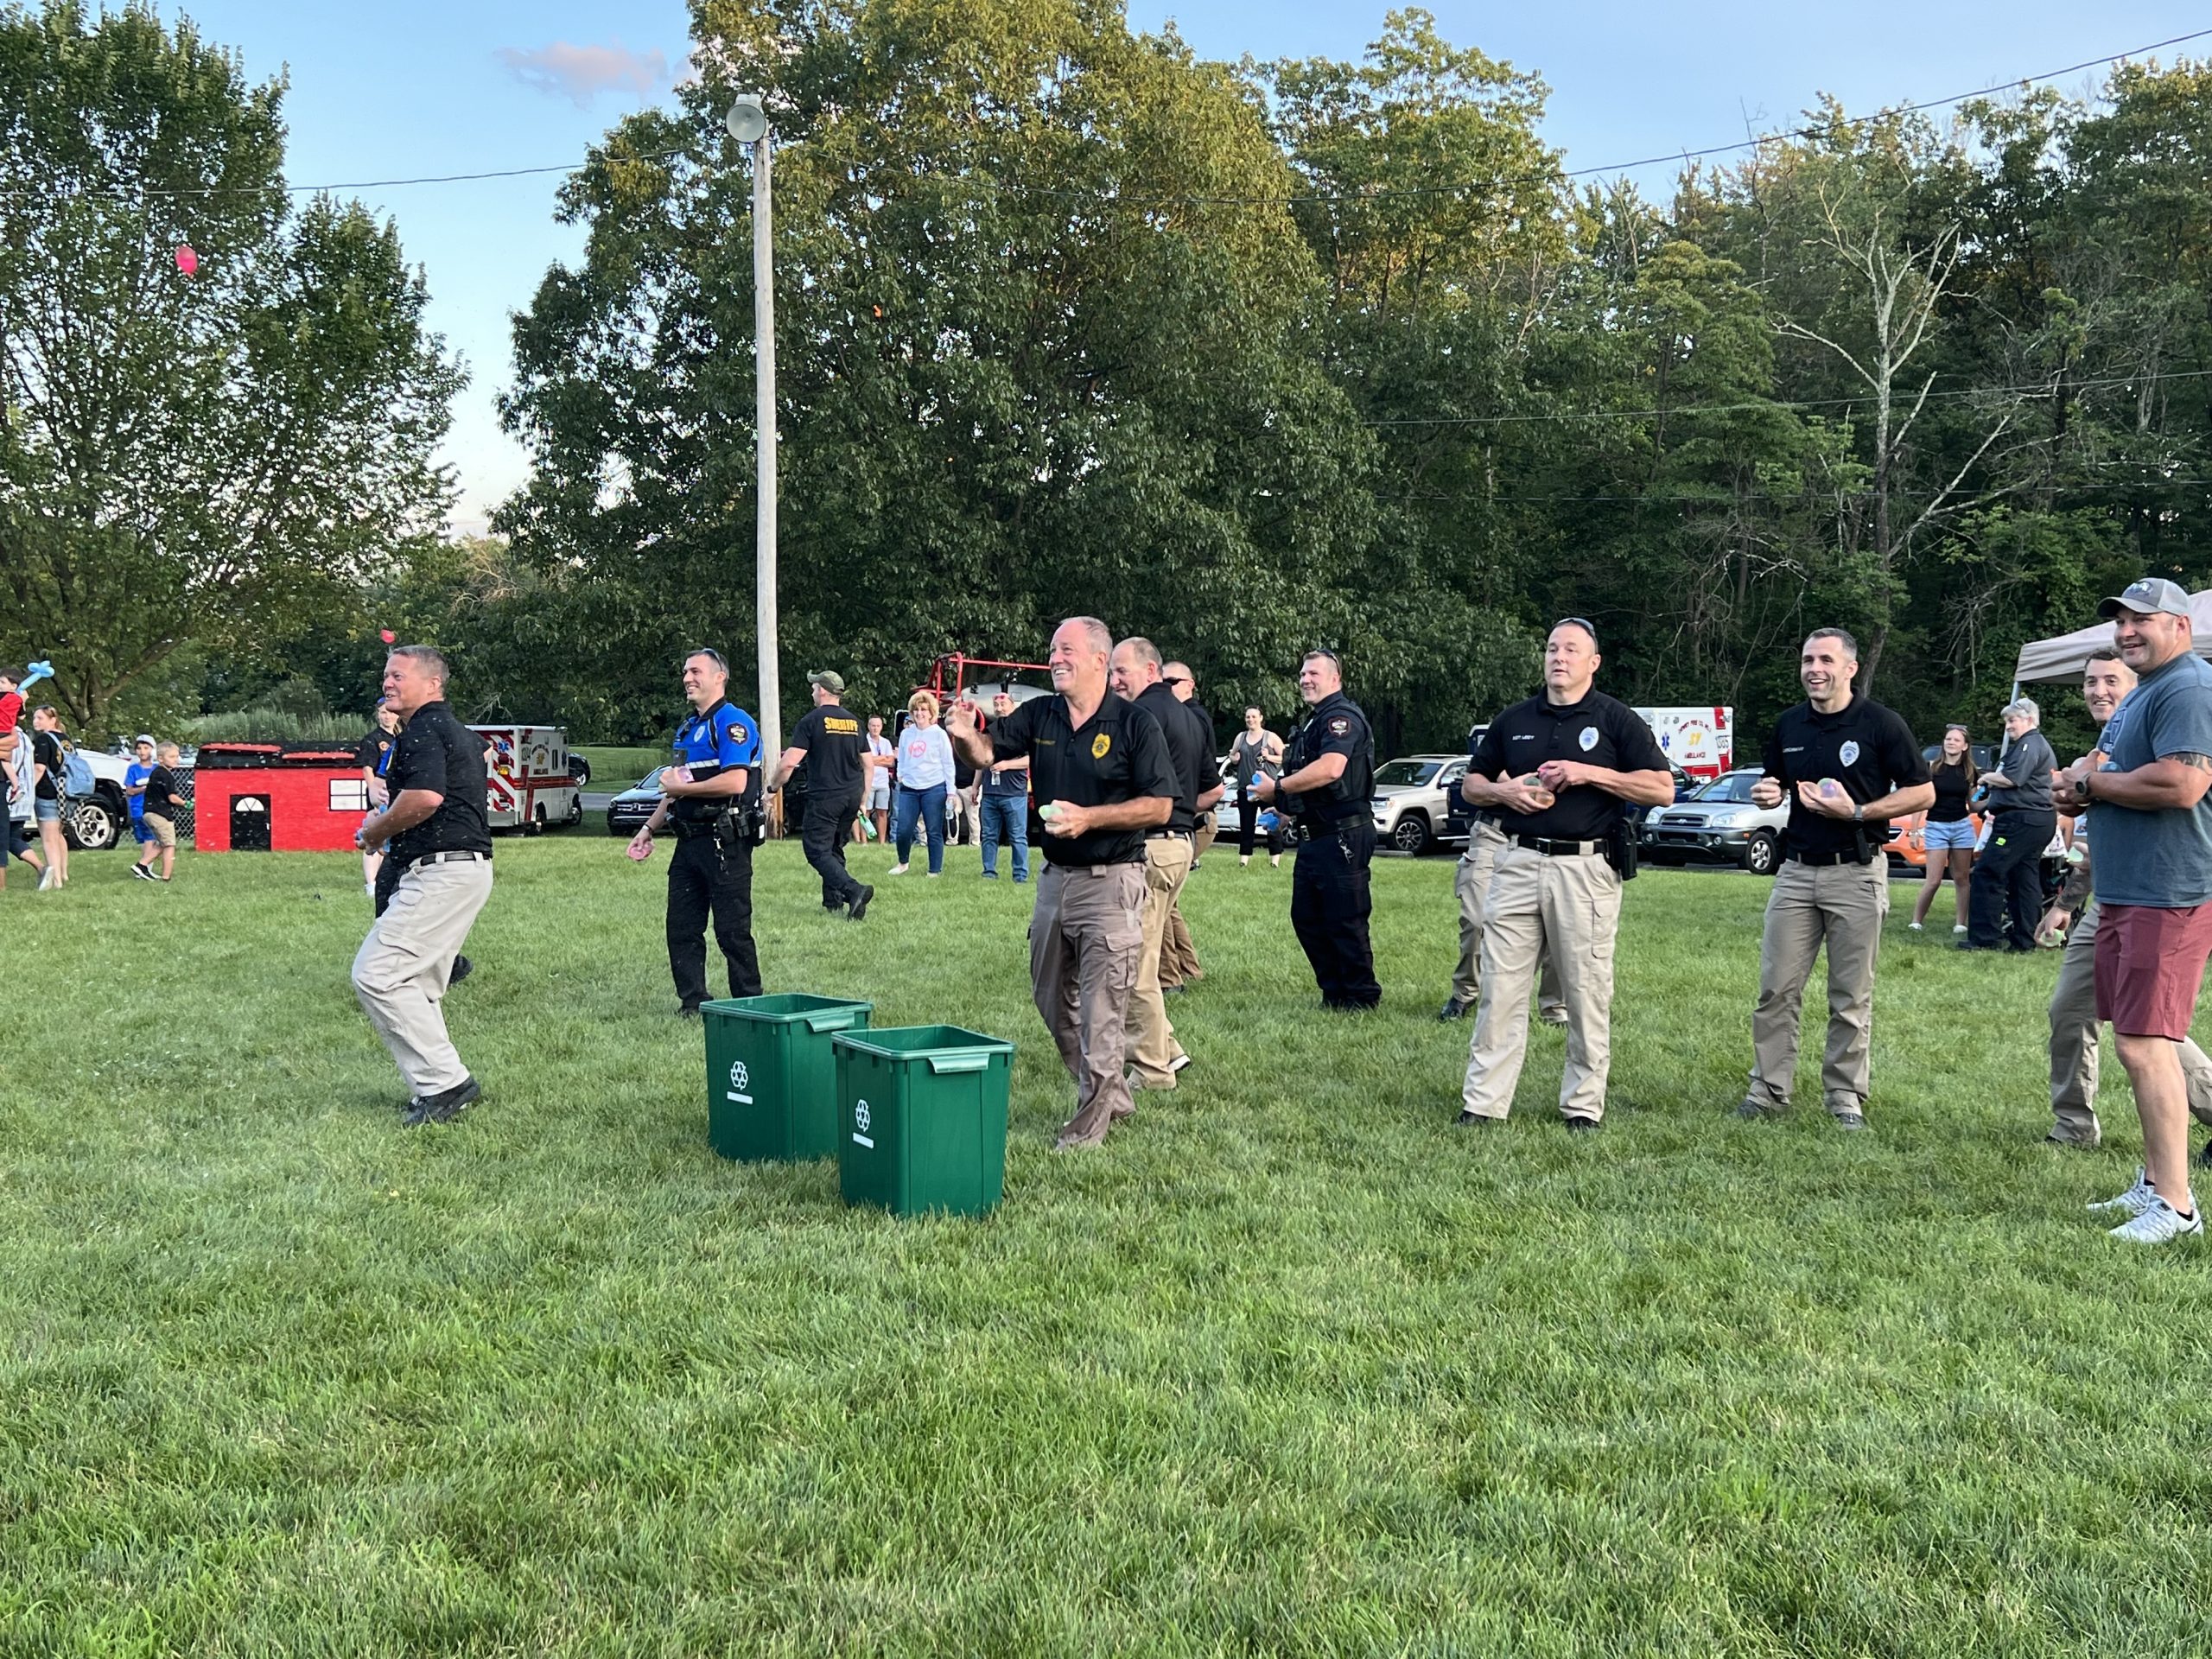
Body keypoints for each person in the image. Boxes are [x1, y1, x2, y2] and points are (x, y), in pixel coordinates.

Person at [945, 616, 1178, 1151]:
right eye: (1052, 650)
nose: (1056, 659)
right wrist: (963, 738)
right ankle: (1112, 1092)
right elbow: (987, 752)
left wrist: (1089, 818)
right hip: (1055, 882)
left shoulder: (1135, 724)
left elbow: (1161, 804)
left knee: (1102, 1012)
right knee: (1052, 998)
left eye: (1067, 650)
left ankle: (1087, 1128)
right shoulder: (1040, 713)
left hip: (1112, 880)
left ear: (1100, 659)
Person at [1454, 620, 1672, 1128]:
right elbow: (1471, 784)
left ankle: (1582, 1105)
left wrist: (1589, 772)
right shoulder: (1515, 719)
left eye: (1572, 649)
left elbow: (1662, 788)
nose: (1560, 657)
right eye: (1553, 648)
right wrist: (1504, 793)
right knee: (1501, 988)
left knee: (1585, 990)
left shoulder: (1617, 720)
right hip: (1516, 861)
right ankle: (1484, 1103)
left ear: (1593, 662)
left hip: (1585, 868)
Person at [2054, 579, 2212, 1243]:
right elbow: (2110, 767)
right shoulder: (2146, 691)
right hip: (2126, 890)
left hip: (2167, 891)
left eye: (2141, 621)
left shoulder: (2188, 688)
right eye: (2120, 622)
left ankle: (2176, 1208)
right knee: (2139, 1043)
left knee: (2148, 1046)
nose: (2126, 632)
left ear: (2178, 625)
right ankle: (2154, 1182)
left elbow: (2183, 782)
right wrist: (2078, 787)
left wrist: (2091, 785)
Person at [1738, 628, 1933, 1128]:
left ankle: (1844, 1095)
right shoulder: (1789, 725)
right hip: (1797, 872)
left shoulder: (1881, 724)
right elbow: (1775, 782)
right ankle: (1767, 1090)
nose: (1814, 669)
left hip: (1858, 870)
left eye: (1826, 659)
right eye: (1807, 659)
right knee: (1775, 989)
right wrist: (1768, 794)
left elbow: (1923, 793)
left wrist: (1859, 810)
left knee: (1850, 994)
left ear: (1850, 668)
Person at [351, 645, 494, 1127]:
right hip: (462, 868)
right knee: (418, 985)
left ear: (433, 684)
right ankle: (436, 1091)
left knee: (376, 973)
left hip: (443, 870)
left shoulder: (423, 730)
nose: (387, 682)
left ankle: (446, 1084)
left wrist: (376, 832)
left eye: (398, 675)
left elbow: (427, 798)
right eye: (386, 674)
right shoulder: (456, 733)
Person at [626, 648, 764, 1016]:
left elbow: (735, 781)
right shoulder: (687, 728)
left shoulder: (734, 723)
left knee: (732, 931)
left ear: (720, 677)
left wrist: (682, 788)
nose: (688, 678)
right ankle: (693, 1002)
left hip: (725, 842)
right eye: (685, 672)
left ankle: (749, 1003)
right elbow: (674, 787)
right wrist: (648, 828)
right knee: (682, 928)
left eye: (696, 671)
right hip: (688, 842)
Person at [1253, 650, 1380, 1010]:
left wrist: (1277, 788)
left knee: (1344, 917)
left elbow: (1331, 770)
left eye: (1314, 673)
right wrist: (1285, 812)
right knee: (1307, 917)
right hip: (1315, 833)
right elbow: (1317, 787)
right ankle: (1334, 992)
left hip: (1343, 834)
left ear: (1335, 679)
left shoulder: (1340, 718)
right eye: (1302, 674)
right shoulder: (1315, 720)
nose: (1305, 679)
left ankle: (1360, 996)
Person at [1110, 637, 1208, 1091]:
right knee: (1144, 957)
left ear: (1150, 670)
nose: (1114, 681)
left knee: (1134, 966)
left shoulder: (1142, 716)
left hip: (1150, 847)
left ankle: (1152, 1071)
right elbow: (1211, 787)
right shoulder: (1188, 717)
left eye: (1121, 672)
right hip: (1181, 845)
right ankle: (1168, 1049)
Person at [774, 669, 874, 921]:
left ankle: (854, 891)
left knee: (816, 851)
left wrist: (772, 788)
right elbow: (869, 765)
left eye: (814, 687)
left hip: (826, 796)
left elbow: (788, 763)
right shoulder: (855, 722)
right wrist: (863, 799)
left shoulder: (812, 721)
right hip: (852, 794)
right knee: (833, 847)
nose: (811, 691)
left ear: (822, 691)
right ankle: (833, 902)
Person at [1962, 698, 2057, 952]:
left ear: (2029, 719)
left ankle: (1985, 938)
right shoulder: (2030, 745)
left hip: (2020, 822)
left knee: (1988, 872)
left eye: (2012, 720)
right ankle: (2024, 940)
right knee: (2023, 878)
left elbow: (2012, 779)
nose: (2008, 726)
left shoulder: (2030, 744)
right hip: (2033, 820)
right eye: (2006, 721)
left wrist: (1987, 778)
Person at [1159, 662, 1221, 988]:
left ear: (1190, 684)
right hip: (1191, 820)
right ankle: (1189, 968)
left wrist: (1178, 807)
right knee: (1170, 902)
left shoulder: (1188, 718)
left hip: (1191, 821)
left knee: (1160, 901)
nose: (1164, 687)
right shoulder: (1186, 715)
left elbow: (1212, 786)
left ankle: (1170, 977)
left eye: (1171, 681)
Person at [1909, 724, 1978, 933]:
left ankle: (1960, 923)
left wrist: (1995, 802)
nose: (1951, 742)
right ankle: (1916, 920)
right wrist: (1913, 831)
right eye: (1948, 739)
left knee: (1961, 878)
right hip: (1936, 827)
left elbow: (1973, 804)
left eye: (1956, 740)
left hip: (1962, 827)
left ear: (1965, 746)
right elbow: (1920, 801)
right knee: (1933, 880)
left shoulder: (1970, 771)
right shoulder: (1931, 768)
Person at [890, 691, 957, 876]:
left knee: (933, 830)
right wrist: (900, 776)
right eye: (916, 710)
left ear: (931, 713)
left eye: (924, 710)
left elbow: (948, 763)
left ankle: (934, 869)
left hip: (934, 788)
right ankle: (903, 862)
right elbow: (901, 758)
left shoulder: (939, 734)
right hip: (909, 789)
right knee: (903, 830)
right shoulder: (906, 734)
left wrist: (951, 791)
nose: (920, 713)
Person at [977, 690, 1031, 882]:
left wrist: (1007, 765)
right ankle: (988, 872)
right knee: (988, 835)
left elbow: (1030, 759)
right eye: (996, 706)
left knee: (1017, 837)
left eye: (1003, 705)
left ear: (1012, 707)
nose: (999, 708)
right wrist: (976, 786)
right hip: (990, 793)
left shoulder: (1024, 731)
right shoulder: (989, 731)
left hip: (1014, 794)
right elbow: (980, 759)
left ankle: (1020, 875)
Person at [1231, 707, 1286, 867]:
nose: (1251, 720)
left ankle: (1275, 859)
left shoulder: (1271, 737)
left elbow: (1284, 758)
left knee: (1271, 823)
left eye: (1254, 716)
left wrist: (1269, 756)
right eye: (1248, 717)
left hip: (1267, 789)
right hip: (1245, 789)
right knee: (1246, 824)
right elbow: (1232, 755)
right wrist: (1235, 758)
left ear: (1261, 718)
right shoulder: (1241, 737)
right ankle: (1244, 859)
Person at [358, 700, 402, 899]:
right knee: (374, 834)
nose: (387, 716)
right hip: (380, 791)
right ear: (377, 714)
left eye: (390, 712)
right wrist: (373, 792)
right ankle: (371, 883)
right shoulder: (372, 739)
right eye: (383, 713)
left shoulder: (402, 737)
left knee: (391, 838)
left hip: (397, 792)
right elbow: (368, 768)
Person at [130, 742, 186, 881]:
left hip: (149, 812)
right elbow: (172, 797)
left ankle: (142, 866)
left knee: (162, 843)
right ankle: (164, 876)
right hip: (160, 814)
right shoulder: (165, 775)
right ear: (160, 759)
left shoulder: (156, 773)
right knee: (169, 844)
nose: (176, 759)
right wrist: (187, 804)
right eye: (172, 756)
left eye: (177, 756)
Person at [29, 706, 67, 888]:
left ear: (53, 720)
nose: (36, 721)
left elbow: (39, 768)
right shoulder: (65, 740)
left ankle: (56, 880)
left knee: (49, 838)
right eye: (35, 718)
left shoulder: (44, 740)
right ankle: (64, 873)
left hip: (48, 793)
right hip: (66, 793)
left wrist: (29, 790)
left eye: (40, 718)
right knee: (58, 835)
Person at [864, 715, 893, 845]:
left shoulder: (886, 742)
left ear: (881, 727)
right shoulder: (864, 741)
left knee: (883, 812)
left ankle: (881, 842)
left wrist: (873, 759)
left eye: (878, 726)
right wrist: (882, 758)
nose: (875, 728)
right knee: (866, 811)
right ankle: (864, 841)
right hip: (868, 781)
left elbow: (891, 762)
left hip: (883, 782)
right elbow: (863, 761)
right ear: (868, 726)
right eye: (873, 725)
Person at [124, 734, 154, 851]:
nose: (142, 752)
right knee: (147, 839)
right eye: (139, 748)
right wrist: (144, 788)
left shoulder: (157, 769)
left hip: (154, 809)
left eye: (146, 748)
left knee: (153, 839)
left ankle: (145, 865)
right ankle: (145, 865)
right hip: (138, 809)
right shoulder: (133, 769)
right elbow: (129, 791)